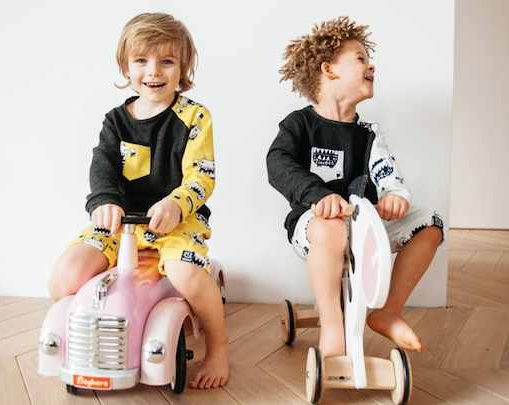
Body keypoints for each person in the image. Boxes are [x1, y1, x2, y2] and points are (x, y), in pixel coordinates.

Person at [48, 12, 228, 389]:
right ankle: (82, 342)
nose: (153, 71)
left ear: (183, 68)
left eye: (167, 61)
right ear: (126, 66)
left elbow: (201, 175)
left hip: (176, 222)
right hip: (120, 224)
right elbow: (103, 164)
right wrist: (104, 201)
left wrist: (176, 204)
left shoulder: (194, 117)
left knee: (186, 275)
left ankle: (218, 346)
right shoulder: (115, 120)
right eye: (142, 60)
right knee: (65, 276)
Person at [266, 16, 444, 359]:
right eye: (361, 58)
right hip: (315, 227)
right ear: (329, 69)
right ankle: (333, 327)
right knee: (331, 227)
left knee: (430, 223)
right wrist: (319, 196)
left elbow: (387, 173)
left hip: (364, 228)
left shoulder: (369, 134)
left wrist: (395, 197)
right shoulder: (300, 124)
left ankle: (388, 312)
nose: (371, 65)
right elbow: (278, 163)